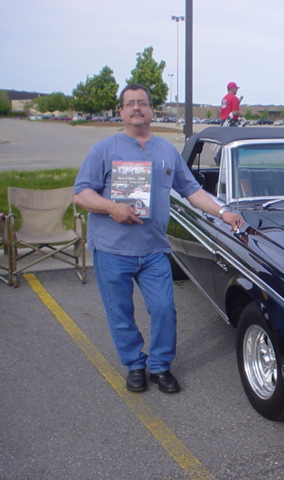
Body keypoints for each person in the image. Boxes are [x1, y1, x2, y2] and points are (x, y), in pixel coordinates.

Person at [73, 84, 243, 394]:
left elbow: (192, 191)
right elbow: (81, 194)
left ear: (152, 110)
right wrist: (112, 207)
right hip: (112, 251)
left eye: (142, 103)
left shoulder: (166, 151)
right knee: (121, 313)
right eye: (129, 104)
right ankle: (135, 365)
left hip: (153, 251)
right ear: (121, 112)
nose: (136, 108)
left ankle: (161, 366)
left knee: (164, 309)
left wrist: (223, 212)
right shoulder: (103, 150)